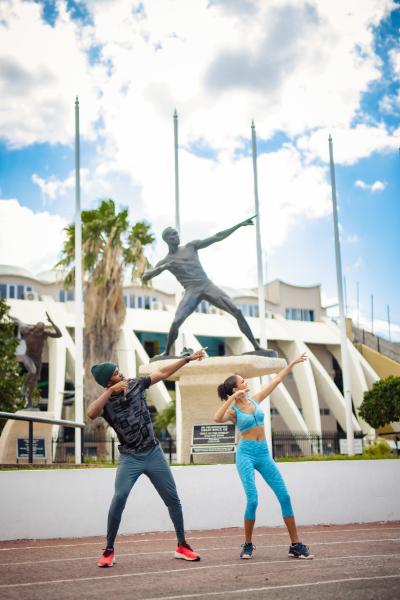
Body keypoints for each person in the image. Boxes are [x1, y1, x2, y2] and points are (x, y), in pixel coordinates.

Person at [89, 349, 206, 567]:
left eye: (118, 370)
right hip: (130, 458)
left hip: (153, 453)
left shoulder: (135, 384)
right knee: (119, 497)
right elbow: (91, 413)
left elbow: (162, 373)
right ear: (107, 381)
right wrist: (110, 391)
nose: (121, 373)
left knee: (173, 499)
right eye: (115, 373)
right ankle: (109, 550)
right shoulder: (105, 403)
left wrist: (187, 359)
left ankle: (182, 545)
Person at [214, 352, 314, 560]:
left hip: (264, 453)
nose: (246, 382)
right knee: (253, 500)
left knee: (284, 496)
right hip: (246, 454)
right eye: (242, 381)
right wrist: (231, 399)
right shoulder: (232, 411)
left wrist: (292, 363)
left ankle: (295, 545)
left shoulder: (255, 400)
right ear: (235, 388)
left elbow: (276, 380)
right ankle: (248, 544)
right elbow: (216, 418)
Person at [142, 217, 264, 356]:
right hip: (192, 291)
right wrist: (163, 268)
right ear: (167, 239)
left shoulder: (190, 246)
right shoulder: (166, 260)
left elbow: (217, 237)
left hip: (207, 285)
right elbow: (145, 277)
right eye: (173, 235)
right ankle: (166, 352)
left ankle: (256, 346)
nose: (177, 236)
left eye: (177, 234)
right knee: (176, 322)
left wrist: (238, 225)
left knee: (237, 311)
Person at [12, 312, 62, 409]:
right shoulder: (27, 330)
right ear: (34, 329)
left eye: (41, 332)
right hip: (28, 357)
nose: (39, 334)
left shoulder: (44, 333)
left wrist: (51, 322)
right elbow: (19, 322)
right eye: (38, 331)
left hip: (38, 359)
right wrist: (13, 318)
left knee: (34, 382)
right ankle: (24, 387)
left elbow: (59, 334)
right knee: (32, 371)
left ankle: (29, 402)